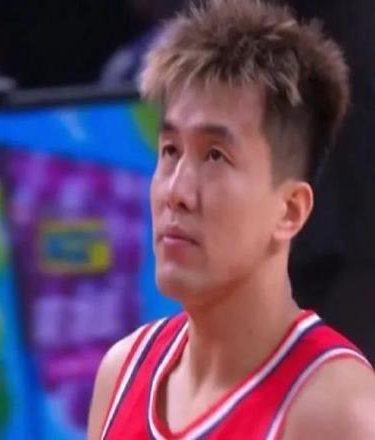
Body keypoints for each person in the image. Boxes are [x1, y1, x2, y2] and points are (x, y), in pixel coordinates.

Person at [88, 0, 375, 439]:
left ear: (290, 210)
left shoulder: (337, 412)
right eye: (170, 151)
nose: (176, 192)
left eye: (215, 156)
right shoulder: (121, 372)